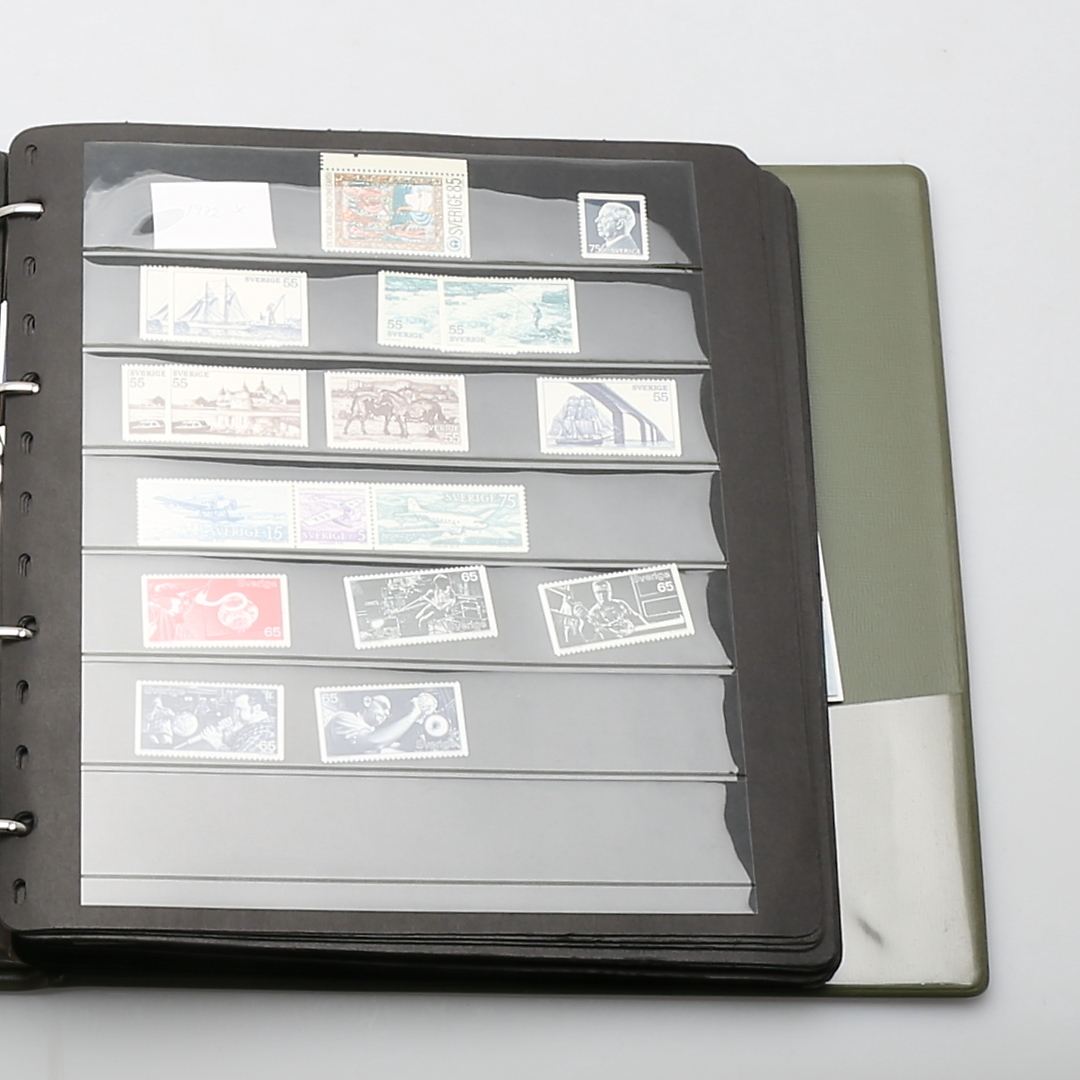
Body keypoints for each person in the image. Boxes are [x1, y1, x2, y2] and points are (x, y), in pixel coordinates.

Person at [325, 691, 443, 755]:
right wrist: (414, 713)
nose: (386, 713)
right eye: (383, 706)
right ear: (367, 701)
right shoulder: (343, 717)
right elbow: (371, 742)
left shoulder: (372, 731)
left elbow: (389, 747)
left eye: (388, 712)